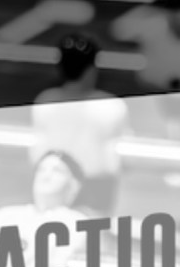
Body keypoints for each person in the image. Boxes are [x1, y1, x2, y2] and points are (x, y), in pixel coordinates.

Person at [34, 36, 128, 214]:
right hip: (95, 187)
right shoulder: (111, 106)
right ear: (92, 69)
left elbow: (37, 152)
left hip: (56, 182)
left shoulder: (45, 100)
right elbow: (114, 161)